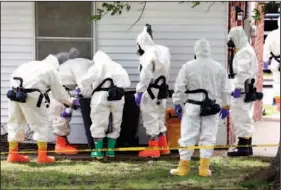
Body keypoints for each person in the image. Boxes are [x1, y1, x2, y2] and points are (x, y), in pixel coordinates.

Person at [170, 39, 231, 177]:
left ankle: (183, 167)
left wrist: (177, 102)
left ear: (195, 50)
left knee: (187, 136)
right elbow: (226, 89)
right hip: (212, 107)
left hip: (192, 106)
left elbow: (179, 87)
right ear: (209, 50)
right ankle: (204, 168)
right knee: (208, 136)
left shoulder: (188, 66)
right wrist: (226, 105)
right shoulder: (218, 67)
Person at [6, 51, 80, 164]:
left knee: (15, 123)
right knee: (41, 124)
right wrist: (70, 102)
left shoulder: (30, 65)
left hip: (13, 93)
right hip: (32, 96)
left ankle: (12, 155)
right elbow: (59, 93)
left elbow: (13, 77)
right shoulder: (51, 70)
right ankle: (42, 157)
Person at [78, 50, 131, 159]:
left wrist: (81, 88)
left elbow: (85, 80)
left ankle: (98, 153)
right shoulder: (117, 66)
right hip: (117, 97)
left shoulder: (97, 66)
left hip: (100, 97)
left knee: (98, 123)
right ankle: (111, 152)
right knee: (116, 122)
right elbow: (126, 83)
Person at [135, 24, 171, 158]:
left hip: (150, 90)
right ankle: (164, 146)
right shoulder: (162, 51)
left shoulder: (147, 55)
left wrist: (139, 91)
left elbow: (146, 75)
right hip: (162, 90)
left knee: (150, 117)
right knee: (160, 116)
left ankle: (153, 148)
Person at [48, 55, 94, 155]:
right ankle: (60, 145)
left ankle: (64, 142)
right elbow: (84, 85)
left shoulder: (82, 62)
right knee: (61, 115)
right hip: (57, 90)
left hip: (61, 89)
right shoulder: (83, 65)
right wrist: (87, 98)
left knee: (65, 114)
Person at [226, 26, 258, 157]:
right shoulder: (247, 49)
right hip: (247, 90)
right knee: (246, 117)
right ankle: (246, 146)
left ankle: (242, 148)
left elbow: (243, 73)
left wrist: (237, 89)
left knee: (240, 117)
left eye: (232, 39)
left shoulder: (244, 52)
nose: (231, 43)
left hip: (242, 91)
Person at [263, 16, 280, 111]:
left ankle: (278, 103)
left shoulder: (272, 35)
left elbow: (266, 51)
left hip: (276, 64)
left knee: (277, 83)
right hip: (276, 63)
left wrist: (265, 62)